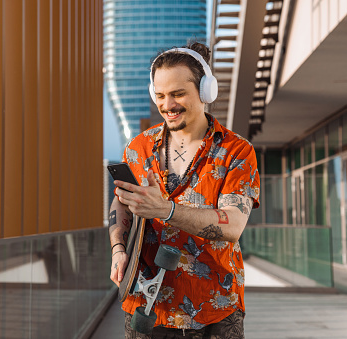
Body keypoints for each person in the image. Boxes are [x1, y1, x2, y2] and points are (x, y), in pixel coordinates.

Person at [108, 41, 260, 338]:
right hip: (145, 307)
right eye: (161, 95)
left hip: (214, 309)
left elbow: (233, 225)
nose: (168, 105)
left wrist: (166, 210)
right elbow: (122, 203)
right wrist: (117, 249)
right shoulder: (137, 148)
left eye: (178, 94)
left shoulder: (237, 151)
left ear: (206, 92)